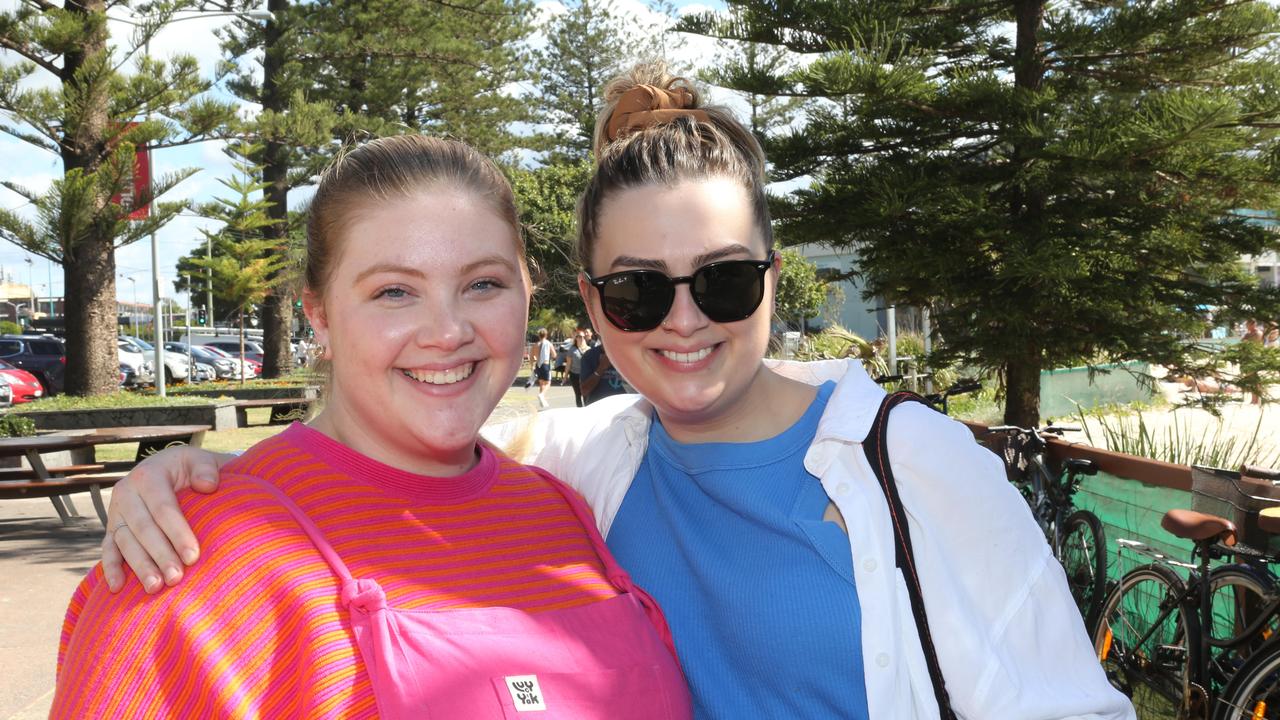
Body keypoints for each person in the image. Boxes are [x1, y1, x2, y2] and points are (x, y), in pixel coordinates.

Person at [99, 63, 1133, 719]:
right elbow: (383, 481)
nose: (683, 321)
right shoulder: (579, 468)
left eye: (722, 279)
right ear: (591, 306)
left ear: (773, 279)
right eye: (639, 291)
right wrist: (197, 480)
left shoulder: (911, 463)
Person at [52, 135, 690, 718]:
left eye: (484, 284)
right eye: (394, 292)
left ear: (529, 293)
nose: (448, 331)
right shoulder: (188, 555)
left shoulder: (564, 511)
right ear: (320, 315)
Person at [579, 340, 628, 405]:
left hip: (625, 407)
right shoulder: (589, 356)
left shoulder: (629, 354)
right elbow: (584, 391)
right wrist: (601, 368)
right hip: (599, 408)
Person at [533, 327, 554, 408]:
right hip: (545, 364)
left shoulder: (536, 345)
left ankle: (542, 401)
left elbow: (533, 355)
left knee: (541, 383)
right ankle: (542, 395)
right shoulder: (548, 343)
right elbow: (554, 354)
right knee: (548, 383)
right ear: (546, 335)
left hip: (538, 365)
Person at [567, 329, 589, 407]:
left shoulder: (589, 349)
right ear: (576, 338)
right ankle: (579, 410)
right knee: (578, 394)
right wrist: (565, 376)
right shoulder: (572, 349)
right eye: (579, 336)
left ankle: (587, 409)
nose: (581, 338)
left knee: (586, 393)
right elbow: (568, 364)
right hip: (574, 375)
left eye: (583, 336)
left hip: (586, 375)